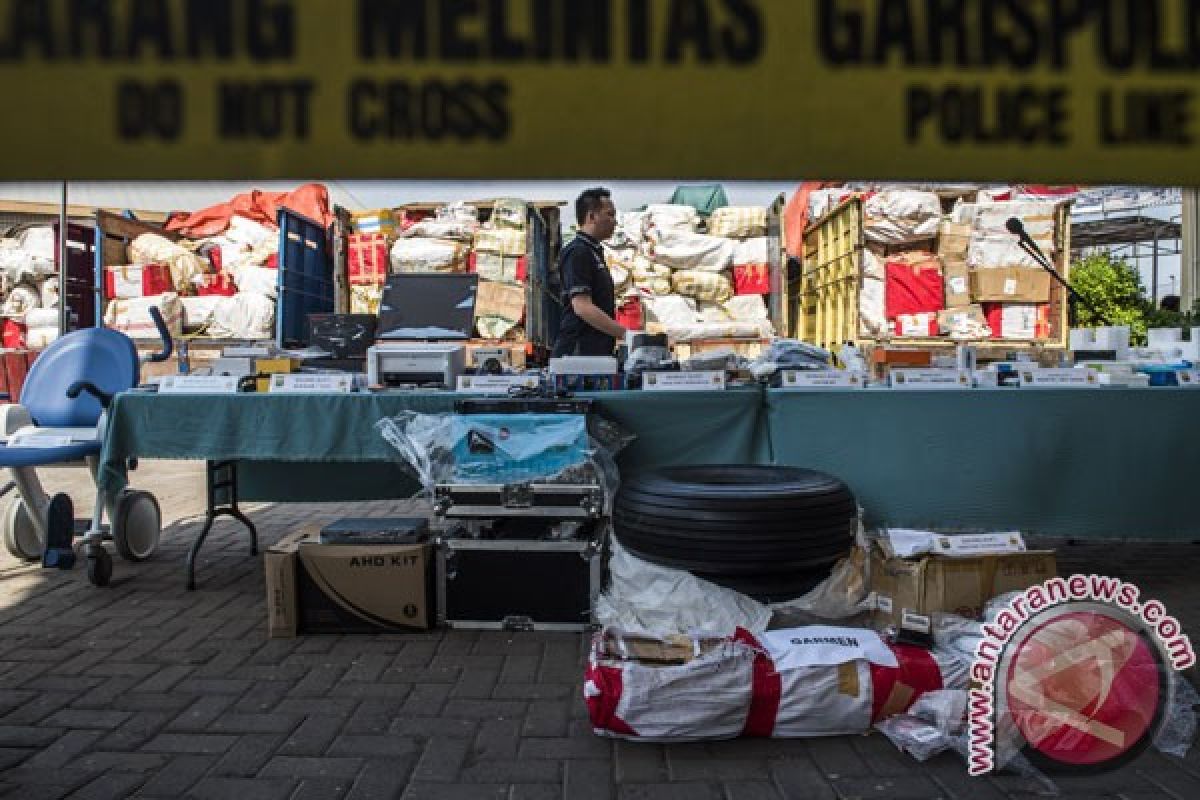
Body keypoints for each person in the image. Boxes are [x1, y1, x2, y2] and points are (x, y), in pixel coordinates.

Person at [552, 188, 627, 357]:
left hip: (595, 352)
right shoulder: (578, 252)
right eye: (610, 214)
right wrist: (625, 334)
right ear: (592, 217)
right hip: (578, 353)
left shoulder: (593, 251)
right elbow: (582, 307)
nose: (614, 221)